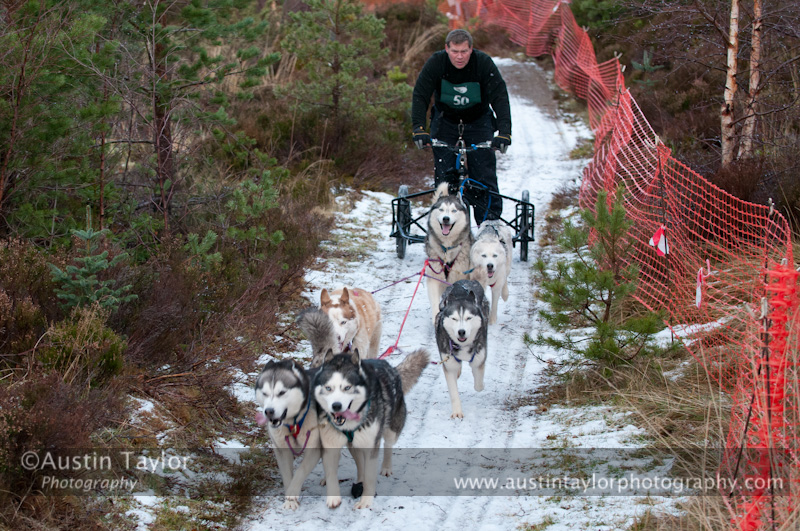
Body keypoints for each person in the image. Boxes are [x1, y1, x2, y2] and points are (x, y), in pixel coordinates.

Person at [411, 29, 511, 224]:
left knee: (483, 175)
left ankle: (488, 226)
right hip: (445, 120)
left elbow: (500, 96)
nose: (459, 56)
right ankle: (446, 225)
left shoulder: (482, 63)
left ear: (471, 49)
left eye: (464, 51)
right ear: (446, 49)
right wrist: (419, 129)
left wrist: (505, 132)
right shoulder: (436, 63)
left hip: (478, 120)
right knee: (444, 178)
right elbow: (420, 95)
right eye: (455, 51)